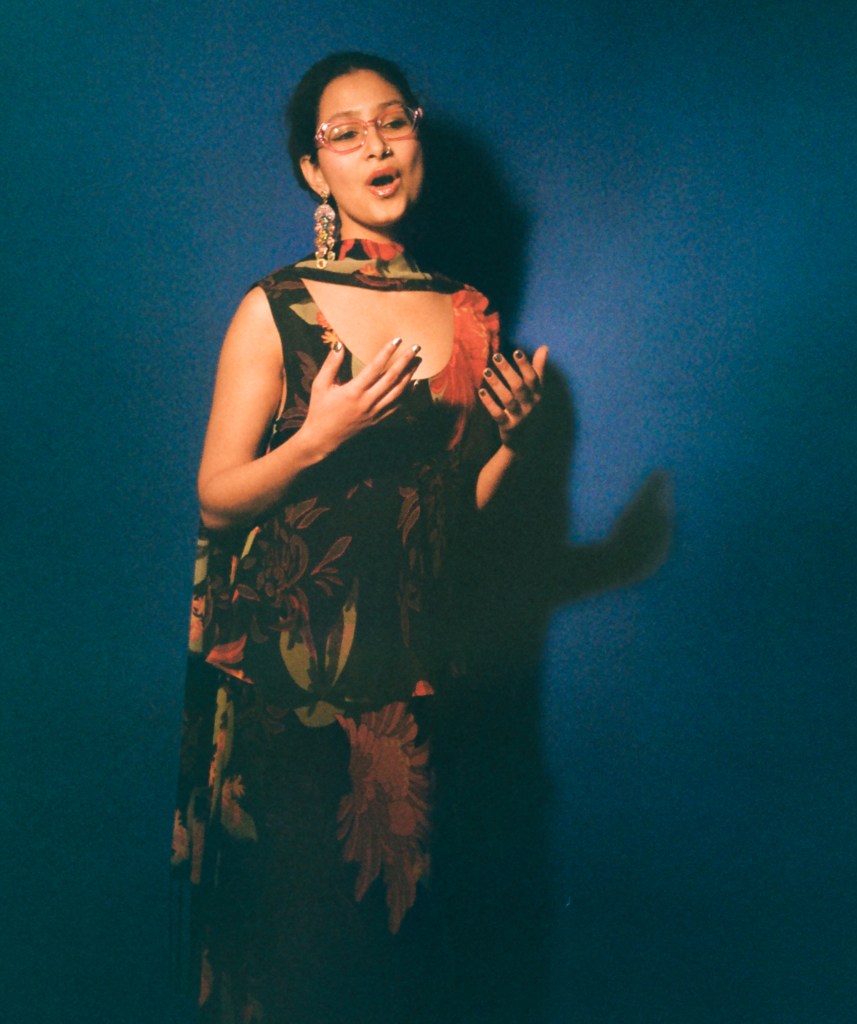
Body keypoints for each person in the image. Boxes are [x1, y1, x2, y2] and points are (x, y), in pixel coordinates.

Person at [171, 51, 547, 1023]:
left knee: (399, 971)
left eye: (394, 121)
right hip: (290, 694)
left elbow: (452, 515)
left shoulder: (468, 314)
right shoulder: (276, 307)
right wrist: (319, 437)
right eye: (345, 133)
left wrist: (512, 441)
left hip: (415, 693)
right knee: (300, 966)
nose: (377, 146)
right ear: (314, 169)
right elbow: (217, 500)